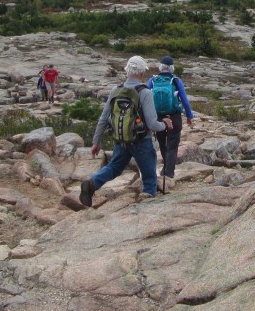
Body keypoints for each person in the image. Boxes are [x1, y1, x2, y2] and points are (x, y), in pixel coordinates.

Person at [81, 56, 172, 206]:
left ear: (127, 71)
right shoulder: (145, 92)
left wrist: (96, 142)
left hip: (121, 140)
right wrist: (165, 124)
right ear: (142, 72)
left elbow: (103, 119)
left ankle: (92, 183)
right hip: (142, 141)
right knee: (149, 176)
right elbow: (152, 124)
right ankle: (148, 206)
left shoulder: (115, 90)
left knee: (114, 167)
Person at [147, 55, 194, 187]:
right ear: (172, 68)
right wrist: (189, 116)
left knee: (162, 143)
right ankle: (169, 174)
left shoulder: (153, 80)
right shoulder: (176, 81)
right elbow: (184, 100)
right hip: (174, 117)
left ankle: (165, 170)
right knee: (173, 145)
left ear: (160, 67)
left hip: (158, 117)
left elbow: (145, 96)